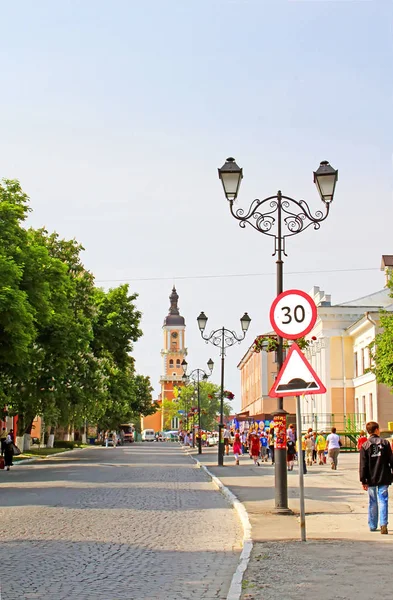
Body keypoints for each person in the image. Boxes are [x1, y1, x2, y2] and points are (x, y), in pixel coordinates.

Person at [360, 421, 393, 534]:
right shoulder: (385, 443)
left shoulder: (365, 445)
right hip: (384, 476)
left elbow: (363, 464)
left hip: (370, 478)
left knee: (372, 501)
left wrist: (363, 479)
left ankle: (373, 525)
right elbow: (391, 460)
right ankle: (383, 524)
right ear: (377, 430)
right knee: (383, 500)